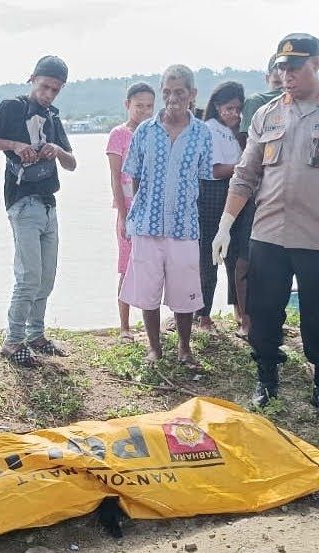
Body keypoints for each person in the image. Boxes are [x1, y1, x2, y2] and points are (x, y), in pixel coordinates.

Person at [211, 33, 319, 421]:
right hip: (268, 233)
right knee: (263, 309)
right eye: (281, 68)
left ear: (316, 65)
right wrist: (225, 225)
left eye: (295, 67)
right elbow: (244, 175)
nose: (286, 75)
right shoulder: (266, 115)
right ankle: (266, 378)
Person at [120, 65, 213, 364]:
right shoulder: (145, 131)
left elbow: (203, 175)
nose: (173, 98)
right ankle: (154, 348)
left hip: (184, 226)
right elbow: (133, 176)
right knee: (148, 290)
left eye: (180, 92)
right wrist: (143, 209)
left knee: (184, 290)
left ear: (192, 95)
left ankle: (184, 348)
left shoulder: (202, 133)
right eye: (168, 92)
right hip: (147, 225)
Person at [0, 55, 77, 367]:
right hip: (21, 200)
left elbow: (72, 163)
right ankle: (13, 341)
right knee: (28, 275)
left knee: (46, 275)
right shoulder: (11, 107)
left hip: (48, 203)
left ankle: (36, 334)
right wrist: (15, 145)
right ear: (32, 79)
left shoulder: (53, 118)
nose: (48, 94)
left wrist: (57, 151)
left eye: (55, 90)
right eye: (44, 87)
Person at [106, 82, 155, 342]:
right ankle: (124, 326)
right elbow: (116, 177)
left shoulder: (155, 133)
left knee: (152, 268)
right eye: (139, 106)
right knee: (126, 268)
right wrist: (124, 216)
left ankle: (150, 327)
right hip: (128, 209)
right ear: (127, 105)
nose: (145, 111)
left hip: (153, 212)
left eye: (149, 106)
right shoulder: (119, 134)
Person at [197, 81, 245, 331]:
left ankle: (240, 312)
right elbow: (215, 170)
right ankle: (203, 315)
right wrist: (245, 168)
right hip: (212, 195)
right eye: (229, 108)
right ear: (217, 106)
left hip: (234, 193)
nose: (234, 114)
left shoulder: (233, 131)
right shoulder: (210, 129)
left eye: (238, 109)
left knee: (235, 256)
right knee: (208, 257)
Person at [239, 55, 284, 146]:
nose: (282, 89)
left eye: (287, 83)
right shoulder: (256, 102)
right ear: (267, 79)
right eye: (277, 83)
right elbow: (246, 141)